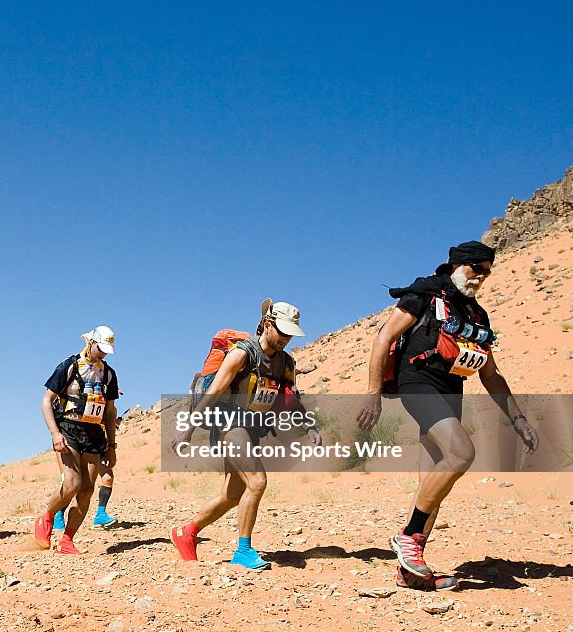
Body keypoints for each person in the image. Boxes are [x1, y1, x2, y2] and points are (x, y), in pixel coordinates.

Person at [357, 240, 538, 591]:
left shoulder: (477, 315)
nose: (480, 278)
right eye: (475, 269)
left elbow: (490, 373)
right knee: (461, 452)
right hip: (418, 383)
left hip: (452, 391)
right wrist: (372, 394)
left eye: (486, 272)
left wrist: (518, 419)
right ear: (456, 265)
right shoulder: (425, 294)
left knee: (433, 483)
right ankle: (408, 535)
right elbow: (383, 337)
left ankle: (411, 571)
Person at [170, 300, 321, 569]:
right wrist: (188, 431)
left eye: (290, 334)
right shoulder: (242, 354)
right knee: (257, 482)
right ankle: (243, 550)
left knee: (232, 494)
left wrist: (309, 426)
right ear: (266, 324)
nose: (286, 338)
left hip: (253, 426)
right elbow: (213, 392)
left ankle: (186, 532)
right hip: (228, 421)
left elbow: (290, 397)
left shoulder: (286, 362)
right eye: (282, 331)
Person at [33, 326, 120, 555]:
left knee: (87, 489)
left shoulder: (109, 374)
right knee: (71, 483)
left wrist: (111, 445)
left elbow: (110, 412)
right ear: (90, 342)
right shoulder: (69, 366)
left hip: (93, 434)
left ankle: (67, 540)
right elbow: (46, 400)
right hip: (68, 428)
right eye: (100, 348)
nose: (102, 354)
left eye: (106, 350)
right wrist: (55, 433)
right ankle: (47, 517)